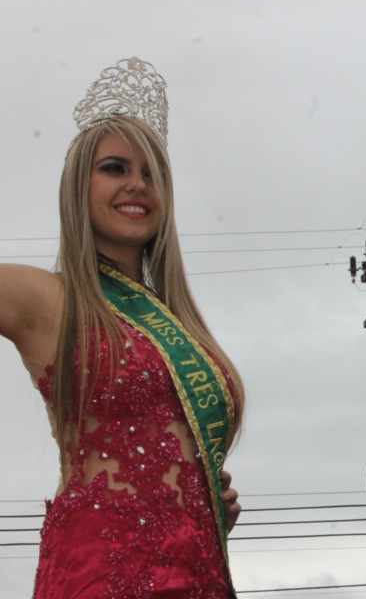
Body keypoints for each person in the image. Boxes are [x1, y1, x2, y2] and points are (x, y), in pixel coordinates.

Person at [0, 57, 245, 598]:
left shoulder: (179, 322)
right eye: (115, 168)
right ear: (77, 185)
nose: (137, 185)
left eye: (150, 174)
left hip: (199, 576)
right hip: (100, 576)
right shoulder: (46, 297)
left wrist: (200, 495)